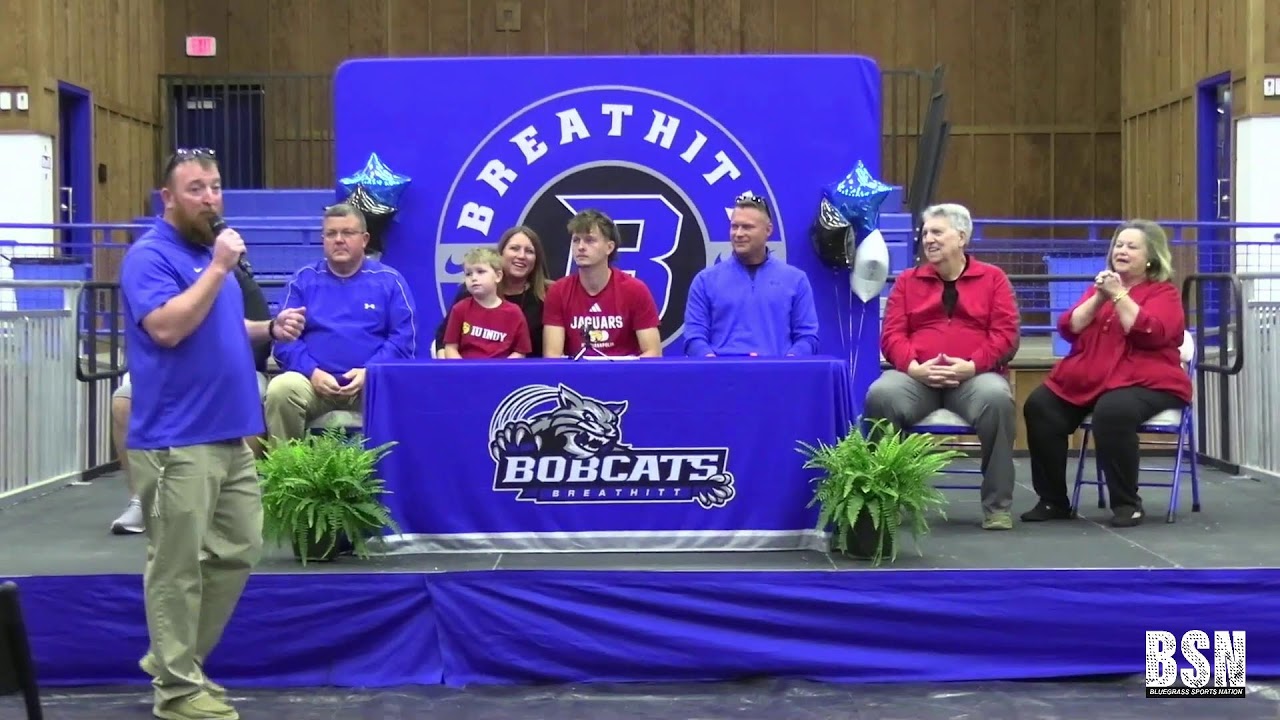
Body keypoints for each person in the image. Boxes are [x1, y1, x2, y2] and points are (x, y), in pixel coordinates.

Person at [120, 148, 306, 720]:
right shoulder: (150, 257)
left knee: (239, 549)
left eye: (216, 187)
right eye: (196, 188)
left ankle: (176, 660)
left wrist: (266, 326)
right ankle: (177, 692)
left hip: (231, 433)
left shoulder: (207, 256)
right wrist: (220, 269)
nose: (210, 198)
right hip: (178, 439)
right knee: (175, 567)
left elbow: (219, 323)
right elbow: (169, 327)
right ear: (167, 198)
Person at [1021, 220, 1190, 528]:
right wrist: (1100, 296)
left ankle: (1127, 504)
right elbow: (1070, 328)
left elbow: (1150, 333)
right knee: (1040, 405)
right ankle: (1053, 500)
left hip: (1146, 379)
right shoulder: (1097, 288)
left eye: (1131, 247)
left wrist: (1119, 296)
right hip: (1092, 375)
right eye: (1119, 245)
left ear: (1151, 257)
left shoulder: (1164, 293)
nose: (1121, 251)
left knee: (1112, 411)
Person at [863, 203, 1021, 531]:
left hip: (973, 378)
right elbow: (891, 335)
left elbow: (1006, 335)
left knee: (997, 399)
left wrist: (972, 365)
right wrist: (913, 366)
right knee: (881, 394)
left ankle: (997, 507)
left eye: (937, 232)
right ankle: (883, 500)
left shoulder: (993, 280)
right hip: (918, 378)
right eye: (924, 233)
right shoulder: (908, 281)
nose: (927, 239)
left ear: (961, 237)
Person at [109, 268, 272, 535]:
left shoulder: (235, 278)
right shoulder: (156, 267)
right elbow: (160, 332)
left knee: (248, 394)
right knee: (123, 400)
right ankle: (140, 499)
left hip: (232, 373)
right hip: (168, 374)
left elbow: (256, 339)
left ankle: (234, 500)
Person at [264, 203, 417, 441]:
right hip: (312, 384)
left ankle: (391, 476)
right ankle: (288, 474)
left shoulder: (389, 281)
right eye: (331, 234)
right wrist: (312, 372)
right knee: (281, 389)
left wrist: (370, 371)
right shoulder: (303, 281)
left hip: (371, 385)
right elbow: (285, 340)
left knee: (402, 390)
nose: (339, 240)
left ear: (365, 239)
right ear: (322, 239)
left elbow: (403, 341)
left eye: (347, 233)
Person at [683, 192, 819, 356]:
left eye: (747, 227)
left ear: (768, 230)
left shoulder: (796, 280)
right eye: (734, 226)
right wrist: (711, 362)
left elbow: (807, 337)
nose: (738, 234)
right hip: (723, 377)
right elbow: (694, 337)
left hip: (776, 376)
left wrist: (790, 361)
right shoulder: (705, 281)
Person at [542, 209, 662, 358]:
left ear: (609, 247)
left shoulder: (635, 290)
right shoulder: (558, 291)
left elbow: (653, 352)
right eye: (576, 240)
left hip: (624, 378)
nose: (580, 247)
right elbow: (552, 356)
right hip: (574, 379)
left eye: (590, 240)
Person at [434, 225, 548, 357]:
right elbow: (443, 342)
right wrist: (456, 371)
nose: (521, 256)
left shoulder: (547, 295)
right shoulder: (469, 293)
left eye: (529, 251)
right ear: (501, 254)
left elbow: (524, 352)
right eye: (514, 248)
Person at [441, 247, 532, 358]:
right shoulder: (459, 309)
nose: (474, 278)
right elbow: (450, 348)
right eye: (468, 274)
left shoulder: (514, 313)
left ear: (498, 276)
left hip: (501, 373)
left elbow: (520, 352)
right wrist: (464, 371)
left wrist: (501, 370)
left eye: (480, 272)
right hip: (467, 373)